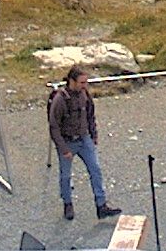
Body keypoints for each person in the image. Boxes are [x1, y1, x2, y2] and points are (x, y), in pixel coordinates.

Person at [50, 67, 121, 221]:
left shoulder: (85, 95)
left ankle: (101, 205)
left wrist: (93, 134)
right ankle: (67, 203)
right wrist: (63, 148)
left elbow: (90, 115)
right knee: (65, 176)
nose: (85, 85)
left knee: (95, 169)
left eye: (86, 82)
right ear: (72, 81)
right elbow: (54, 126)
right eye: (82, 82)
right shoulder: (60, 100)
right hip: (68, 141)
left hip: (84, 138)